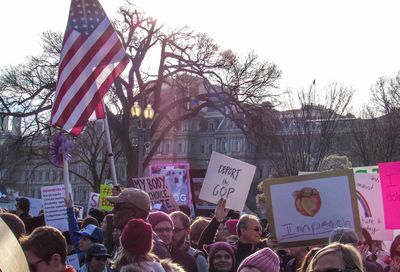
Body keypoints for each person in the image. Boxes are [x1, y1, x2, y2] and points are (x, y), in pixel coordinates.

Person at [199, 199, 266, 271]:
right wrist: (217, 220)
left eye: (261, 230)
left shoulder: (264, 252)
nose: (260, 233)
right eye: (256, 229)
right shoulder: (231, 249)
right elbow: (204, 246)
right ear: (243, 229)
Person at [107, 187, 170, 259]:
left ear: (134, 213)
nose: (113, 211)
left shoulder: (156, 249)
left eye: (118, 207)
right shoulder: (124, 239)